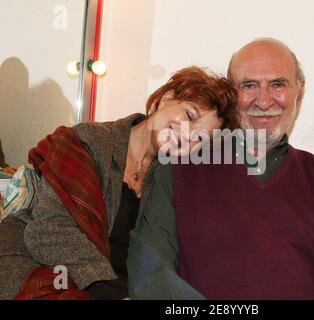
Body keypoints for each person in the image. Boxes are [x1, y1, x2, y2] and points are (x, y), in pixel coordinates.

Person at [127, 38, 314, 300]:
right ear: (231, 94)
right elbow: (149, 273)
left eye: (278, 84)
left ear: (299, 91)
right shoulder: (179, 169)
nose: (263, 101)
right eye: (249, 85)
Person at [0, 66, 238, 300]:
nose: (188, 134)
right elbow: (50, 231)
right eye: (189, 115)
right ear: (166, 99)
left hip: (121, 288)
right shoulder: (89, 141)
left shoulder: (170, 177)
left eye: (199, 137)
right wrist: (114, 292)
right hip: (41, 267)